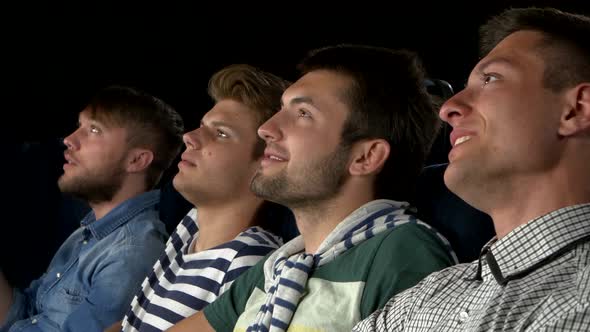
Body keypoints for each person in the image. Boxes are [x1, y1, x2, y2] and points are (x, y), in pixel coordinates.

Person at [168, 44, 458, 332]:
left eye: (303, 113)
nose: (266, 128)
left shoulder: (402, 255)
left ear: (365, 157)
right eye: (282, 109)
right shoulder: (278, 266)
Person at [353, 7, 590, 331]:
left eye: (490, 79)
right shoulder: (429, 294)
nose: (449, 108)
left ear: (576, 109)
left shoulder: (579, 297)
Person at [113, 64, 290, 332]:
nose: (190, 137)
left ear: (264, 165)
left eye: (221, 133)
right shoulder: (189, 227)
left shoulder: (248, 262)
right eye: (201, 126)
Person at [0, 86, 185, 332]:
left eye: (94, 130)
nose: (69, 140)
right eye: (80, 126)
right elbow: (25, 315)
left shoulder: (131, 254)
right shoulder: (90, 233)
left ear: (137, 160)